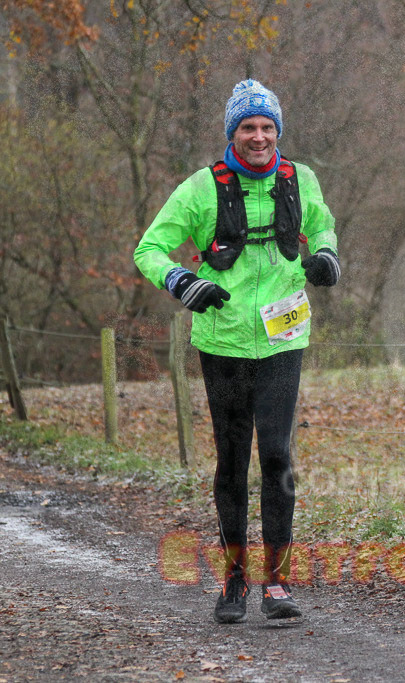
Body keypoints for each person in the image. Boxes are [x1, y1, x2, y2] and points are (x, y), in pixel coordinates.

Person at [134, 79, 340, 624]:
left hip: (283, 339)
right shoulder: (201, 188)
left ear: (278, 132)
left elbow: (323, 229)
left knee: (276, 456)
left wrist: (325, 257)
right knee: (232, 463)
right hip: (221, 342)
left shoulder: (301, 179)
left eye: (267, 127)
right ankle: (233, 581)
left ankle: (277, 582)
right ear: (233, 132)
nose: (258, 136)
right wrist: (181, 281)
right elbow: (148, 248)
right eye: (248, 127)